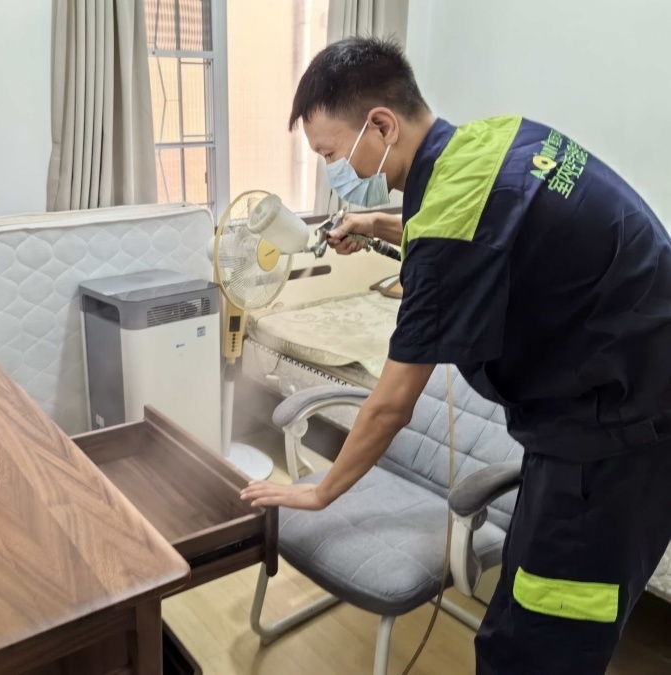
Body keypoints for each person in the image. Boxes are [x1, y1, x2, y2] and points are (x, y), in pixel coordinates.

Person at [239, 36, 671, 674]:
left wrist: (321, 491)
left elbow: (390, 405)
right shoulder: (497, 138)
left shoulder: (448, 227)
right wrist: (377, 222)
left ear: (380, 125)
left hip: (613, 443)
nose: (334, 171)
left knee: (536, 648)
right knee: (523, 619)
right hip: (617, 396)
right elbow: (483, 222)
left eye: (330, 154)